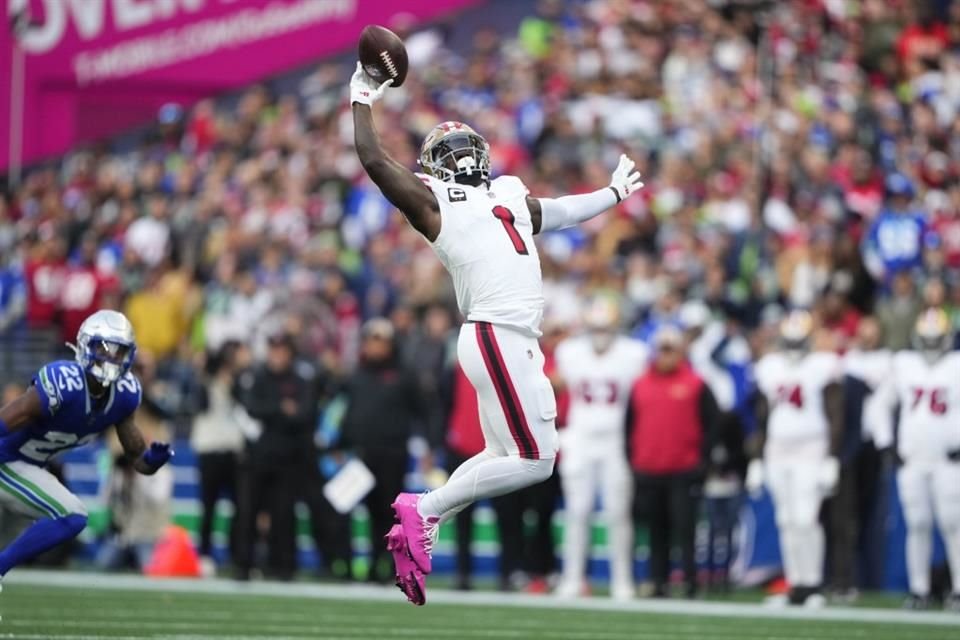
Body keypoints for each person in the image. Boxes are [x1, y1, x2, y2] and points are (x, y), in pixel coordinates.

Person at [350, 63, 643, 604]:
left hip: (503, 337)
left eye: (466, 145)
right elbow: (373, 160)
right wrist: (362, 97)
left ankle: (423, 516)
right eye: (453, 148)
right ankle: (426, 509)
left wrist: (610, 194)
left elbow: (557, 211)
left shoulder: (506, 195)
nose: (461, 155)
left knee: (503, 452)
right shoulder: (434, 203)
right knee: (537, 460)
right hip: (497, 332)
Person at [0, 310, 173, 583]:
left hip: (29, 468)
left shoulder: (124, 396)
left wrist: (154, 459)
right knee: (72, 514)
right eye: (104, 348)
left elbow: (138, 459)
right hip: (6, 461)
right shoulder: (64, 381)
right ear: (84, 346)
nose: (111, 358)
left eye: (119, 352)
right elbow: (8, 418)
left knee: (71, 517)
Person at [553, 297, 648, 601]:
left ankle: (622, 580)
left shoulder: (633, 354)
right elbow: (553, 383)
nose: (601, 334)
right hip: (579, 439)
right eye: (596, 328)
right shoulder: (570, 352)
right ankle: (572, 578)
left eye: (605, 328)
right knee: (577, 512)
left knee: (618, 513)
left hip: (616, 442)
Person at [747, 310, 843, 608]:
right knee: (786, 520)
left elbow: (835, 413)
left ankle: (812, 584)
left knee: (806, 518)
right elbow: (763, 417)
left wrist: (832, 457)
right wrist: (757, 458)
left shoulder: (822, 365)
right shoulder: (770, 366)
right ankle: (795, 584)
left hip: (811, 448)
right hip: (777, 449)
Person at [868, 310, 960, 612]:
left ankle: (958, 590)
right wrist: (886, 443)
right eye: (927, 339)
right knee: (917, 524)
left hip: (949, 459)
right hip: (913, 459)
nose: (932, 345)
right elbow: (879, 405)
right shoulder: (904, 364)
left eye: (937, 339)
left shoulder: (955, 365)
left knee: (954, 524)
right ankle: (919, 589)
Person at [627, 326, 718, 599]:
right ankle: (659, 581)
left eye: (671, 350)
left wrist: (702, 461)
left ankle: (690, 582)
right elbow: (629, 426)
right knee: (656, 530)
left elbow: (713, 424)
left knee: (685, 529)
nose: (666, 356)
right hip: (649, 469)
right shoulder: (640, 384)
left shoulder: (696, 383)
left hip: (683, 468)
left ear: (680, 352)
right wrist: (633, 462)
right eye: (662, 350)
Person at [339, 318, 426, 584]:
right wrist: (340, 445)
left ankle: (389, 565)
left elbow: (423, 409)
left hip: (392, 454)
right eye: (371, 341)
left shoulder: (404, 374)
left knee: (390, 514)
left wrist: (428, 443)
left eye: (381, 342)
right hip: (362, 455)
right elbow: (347, 413)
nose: (375, 347)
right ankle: (355, 562)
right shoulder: (356, 375)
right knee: (365, 511)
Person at [234, 332, 320, 581]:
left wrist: (273, 411)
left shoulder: (300, 379)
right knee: (248, 511)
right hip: (258, 457)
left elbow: (305, 413)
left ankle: (283, 566)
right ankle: (243, 565)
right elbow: (251, 407)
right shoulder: (258, 377)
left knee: (284, 514)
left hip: (288, 458)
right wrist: (281, 408)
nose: (277, 355)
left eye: (282, 350)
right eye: (274, 350)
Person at [189, 342, 245, 574]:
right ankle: (205, 553)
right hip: (210, 449)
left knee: (240, 506)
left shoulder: (239, 384)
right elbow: (200, 404)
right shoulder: (205, 384)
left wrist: (232, 385)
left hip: (232, 449)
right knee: (209, 505)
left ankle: (236, 554)